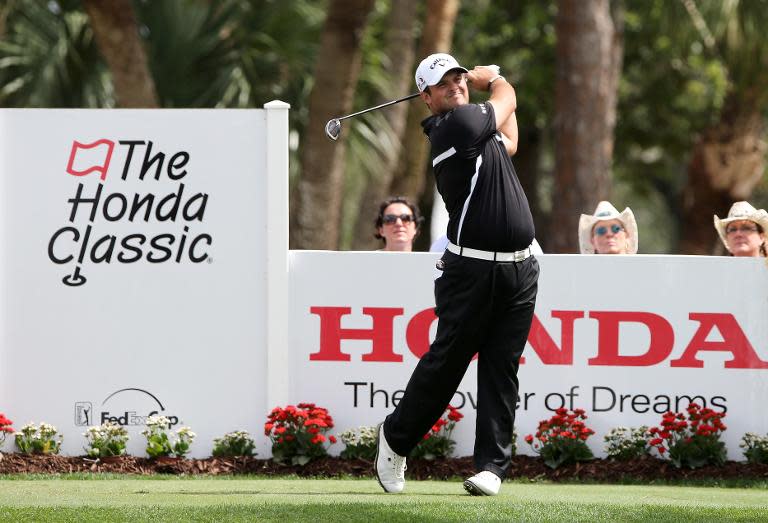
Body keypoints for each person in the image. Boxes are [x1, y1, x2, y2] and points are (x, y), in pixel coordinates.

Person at [375, 53, 539, 497]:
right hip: (470, 270)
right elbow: (507, 98)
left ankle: (491, 468)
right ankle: (394, 439)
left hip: (520, 269)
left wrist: (495, 94)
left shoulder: (478, 133)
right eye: (443, 84)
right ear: (426, 98)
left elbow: (512, 139)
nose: (456, 86)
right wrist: (495, 78)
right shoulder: (454, 128)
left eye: (459, 79)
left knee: (501, 368)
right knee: (446, 367)